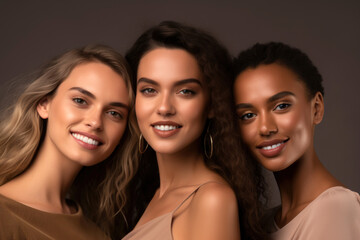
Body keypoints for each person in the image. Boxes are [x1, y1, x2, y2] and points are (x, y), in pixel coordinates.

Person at [122, 21, 266, 240]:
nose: (164, 108)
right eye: (149, 90)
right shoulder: (152, 195)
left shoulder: (212, 200)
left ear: (211, 105)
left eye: (185, 92)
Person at [0, 44, 138, 239]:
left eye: (114, 113)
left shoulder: (99, 234)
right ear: (44, 104)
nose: (95, 122)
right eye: (80, 101)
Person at [233, 42, 360, 239]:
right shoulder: (264, 223)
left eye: (281, 106)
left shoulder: (335, 208)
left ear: (316, 108)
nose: (265, 128)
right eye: (248, 115)